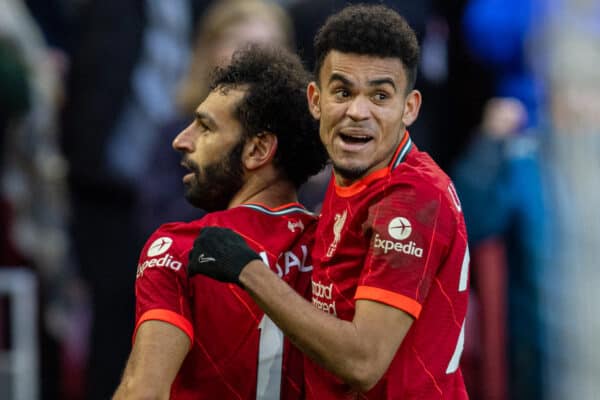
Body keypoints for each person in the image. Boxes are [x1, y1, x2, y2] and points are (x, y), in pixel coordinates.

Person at [189, 4, 470, 398]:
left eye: (380, 96)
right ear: (315, 100)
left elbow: (363, 362)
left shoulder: (411, 198)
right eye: (342, 91)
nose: (358, 111)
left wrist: (249, 271)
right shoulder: (353, 178)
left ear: (410, 108)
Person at [112, 44, 327, 399]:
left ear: (258, 150)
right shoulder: (330, 248)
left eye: (205, 128)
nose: (181, 140)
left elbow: (144, 391)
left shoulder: (181, 247)